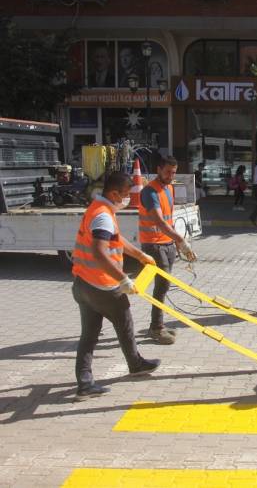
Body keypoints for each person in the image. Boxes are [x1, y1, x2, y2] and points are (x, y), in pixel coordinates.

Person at [71, 172, 161, 401]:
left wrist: (139, 255)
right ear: (113, 193)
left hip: (83, 284)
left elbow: (116, 240)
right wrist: (123, 279)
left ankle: (85, 383)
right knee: (125, 323)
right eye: (124, 195)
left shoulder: (97, 209)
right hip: (102, 286)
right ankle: (136, 364)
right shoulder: (103, 216)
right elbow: (100, 252)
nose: (127, 199)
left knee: (89, 335)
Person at [139, 156, 197, 345]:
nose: (171, 176)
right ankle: (156, 328)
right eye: (167, 172)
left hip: (167, 244)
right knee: (161, 285)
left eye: (173, 172)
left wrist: (177, 242)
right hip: (153, 244)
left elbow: (169, 219)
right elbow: (159, 221)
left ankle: (157, 325)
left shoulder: (169, 188)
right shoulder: (149, 192)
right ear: (158, 169)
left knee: (163, 287)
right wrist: (181, 241)